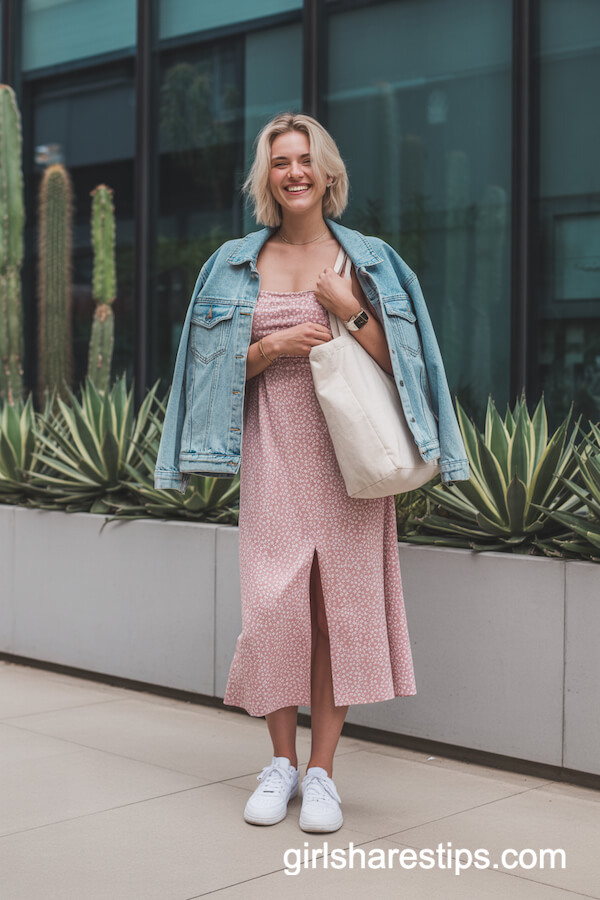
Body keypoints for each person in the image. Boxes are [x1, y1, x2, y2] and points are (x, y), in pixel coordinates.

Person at [154, 111, 470, 834]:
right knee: (273, 610)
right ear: (265, 178)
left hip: (349, 460)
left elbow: (410, 366)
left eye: (305, 160)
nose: (294, 172)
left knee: (336, 614)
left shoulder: (371, 261)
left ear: (328, 173)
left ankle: (322, 772)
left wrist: (349, 310)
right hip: (272, 453)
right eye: (280, 162)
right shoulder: (232, 262)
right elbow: (203, 377)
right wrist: (271, 350)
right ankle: (280, 763)